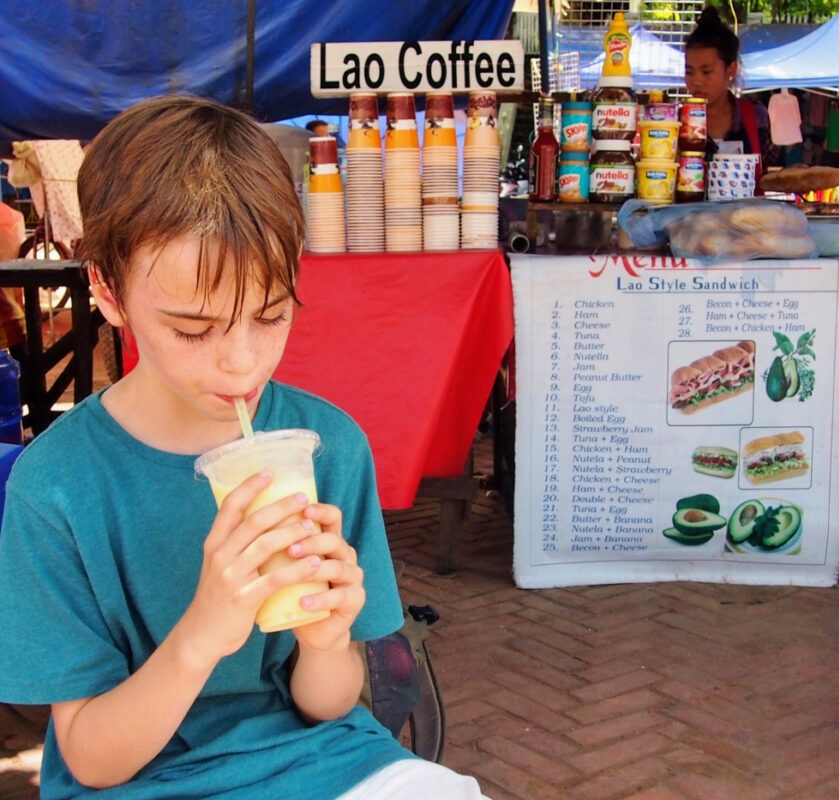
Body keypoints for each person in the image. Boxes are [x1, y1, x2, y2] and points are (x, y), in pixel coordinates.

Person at [0, 95, 489, 799]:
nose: (243, 363)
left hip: (322, 759)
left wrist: (326, 641)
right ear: (108, 292)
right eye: (193, 330)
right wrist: (203, 632)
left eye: (270, 315)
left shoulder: (328, 449)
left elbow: (329, 703)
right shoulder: (57, 487)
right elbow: (91, 760)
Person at [684, 7, 781, 191]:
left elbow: (768, 176)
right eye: (689, 72)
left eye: (706, 72)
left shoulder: (755, 116)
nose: (696, 81)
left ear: (731, 70)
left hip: (748, 219)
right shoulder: (676, 124)